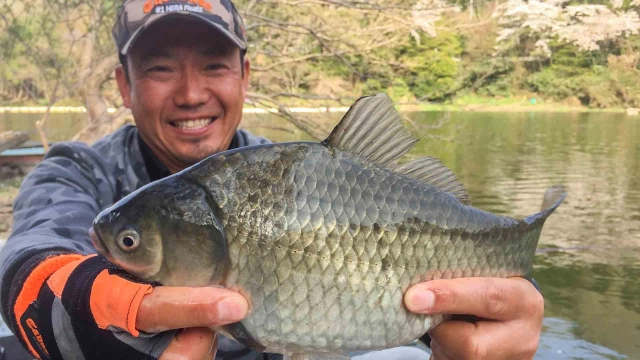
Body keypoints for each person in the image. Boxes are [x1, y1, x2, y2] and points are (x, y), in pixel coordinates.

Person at [0, 0, 544, 359]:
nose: (191, 93)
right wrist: (111, 313)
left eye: (214, 64)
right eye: (161, 67)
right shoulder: (77, 172)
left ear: (244, 75)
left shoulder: (283, 174)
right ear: (124, 84)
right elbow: (28, 268)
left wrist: (486, 321)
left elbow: (387, 274)